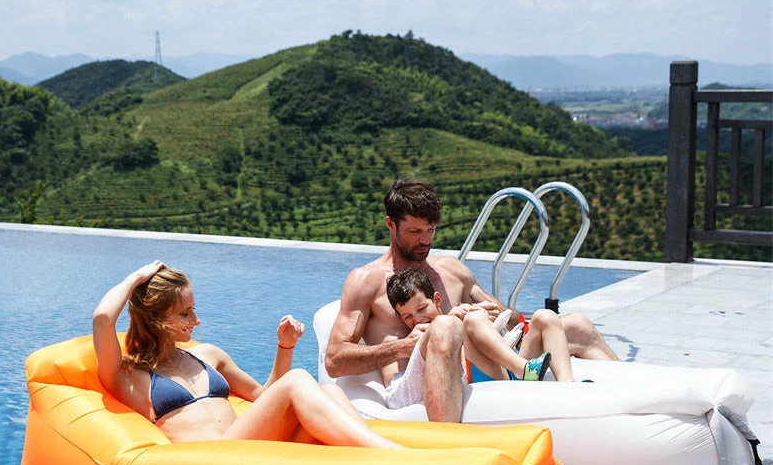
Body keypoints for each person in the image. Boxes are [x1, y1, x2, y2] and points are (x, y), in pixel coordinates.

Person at [325, 178, 617, 422]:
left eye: (430, 230)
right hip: (434, 381)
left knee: (576, 324)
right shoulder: (368, 281)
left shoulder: (451, 271)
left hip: (488, 364)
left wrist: (498, 313)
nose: (425, 240)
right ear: (391, 225)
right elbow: (335, 361)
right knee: (446, 328)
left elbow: (512, 320)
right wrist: (402, 347)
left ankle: (627, 404)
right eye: (414, 231)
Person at [93, 261, 403, 448]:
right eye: (185, 313)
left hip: (248, 450)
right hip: (211, 461)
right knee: (298, 379)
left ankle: (380, 464)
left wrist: (285, 347)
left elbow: (266, 396)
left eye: (194, 309)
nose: (197, 320)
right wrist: (136, 279)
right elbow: (103, 319)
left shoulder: (207, 355)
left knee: (331, 392)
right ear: (157, 319)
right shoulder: (128, 375)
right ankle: (388, 454)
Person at [381, 268, 561, 409]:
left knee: (545, 316)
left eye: (422, 309)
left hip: (510, 369)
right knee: (473, 319)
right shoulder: (415, 341)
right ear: (400, 319)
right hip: (487, 379)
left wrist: (488, 317)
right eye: (408, 317)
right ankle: (524, 369)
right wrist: (457, 323)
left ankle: (567, 385)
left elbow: (515, 323)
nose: (418, 319)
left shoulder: (460, 314)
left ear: (437, 300)